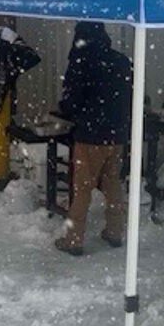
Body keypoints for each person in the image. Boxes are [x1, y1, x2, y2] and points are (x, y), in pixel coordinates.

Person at [54, 22, 133, 257]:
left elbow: (70, 101)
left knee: (82, 189)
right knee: (112, 184)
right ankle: (115, 231)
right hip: (117, 135)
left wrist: (68, 111)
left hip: (90, 136)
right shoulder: (121, 61)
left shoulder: (81, 61)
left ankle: (74, 239)